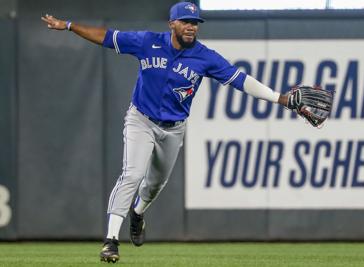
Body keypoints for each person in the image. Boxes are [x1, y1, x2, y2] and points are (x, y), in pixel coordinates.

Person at [41, 2, 297, 263]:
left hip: (174, 129)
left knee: (154, 185)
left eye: (194, 22)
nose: (191, 27)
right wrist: (69, 26)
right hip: (141, 120)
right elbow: (107, 37)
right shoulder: (147, 42)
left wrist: (280, 98)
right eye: (185, 21)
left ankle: (138, 213)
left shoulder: (205, 57)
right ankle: (111, 240)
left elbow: (240, 80)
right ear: (172, 24)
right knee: (132, 174)